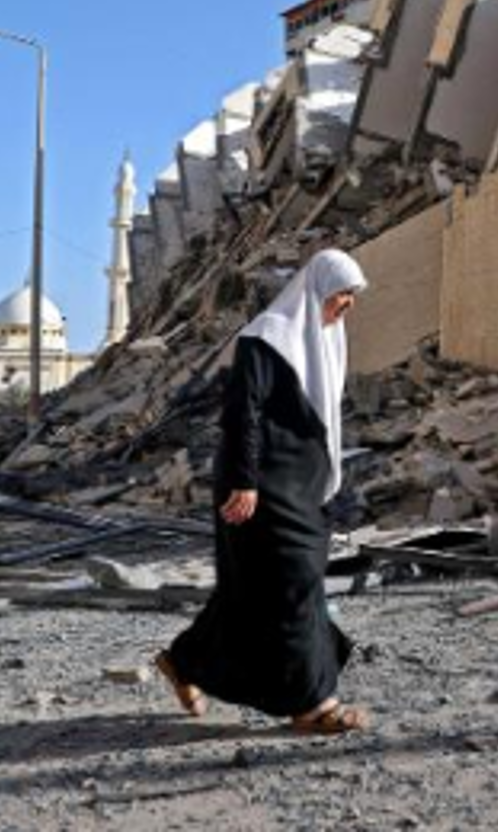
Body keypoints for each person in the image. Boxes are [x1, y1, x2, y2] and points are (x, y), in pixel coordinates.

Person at [155, 248, 371, 735]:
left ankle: (184, 661)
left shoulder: (324, 342)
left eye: (353, 296)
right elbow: (242, 414)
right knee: (293, 584)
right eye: (343, 294)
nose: (348, 305)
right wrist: (243, 481)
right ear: (317, 290)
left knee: (259, 590)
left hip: (304, 488)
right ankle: (312, 704)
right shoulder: (265, 338)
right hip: (263, 488)